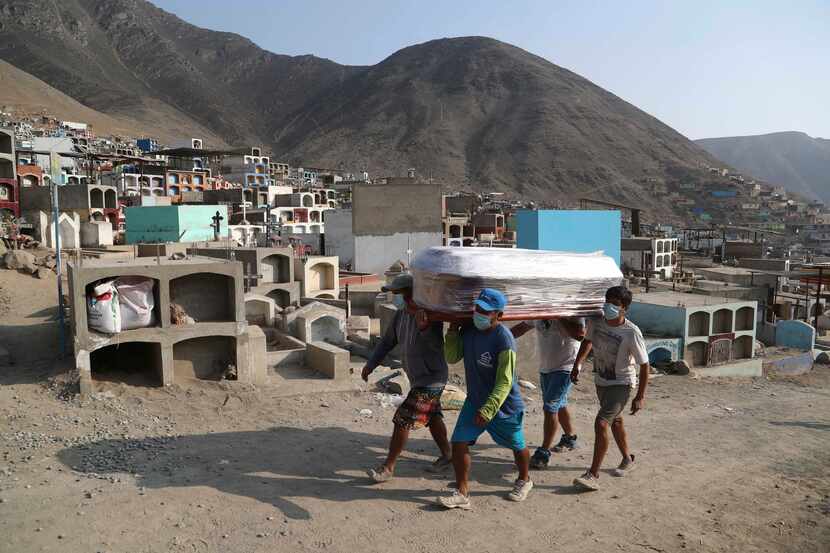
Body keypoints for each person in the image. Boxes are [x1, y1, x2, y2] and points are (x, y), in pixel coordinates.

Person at [437, 288, 532, 509]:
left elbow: (505, 381)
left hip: (504, 405)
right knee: (459, 442)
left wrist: (489, 409)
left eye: (486, 311)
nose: (479, 313)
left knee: (517, 445)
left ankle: (524, 479)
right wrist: (452, 330)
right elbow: (452, 357)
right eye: (478, 308)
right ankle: (462, 491)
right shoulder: (469, 330)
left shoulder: (504, 339)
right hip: (475, 400)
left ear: (499, 315)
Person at [362, 273, 452, 482]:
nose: (396, 298)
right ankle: (448, 455)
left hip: (432, 377)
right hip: (417, 377)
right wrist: (371, 364)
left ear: (411, 294)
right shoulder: (401, 315)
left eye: (398, 294)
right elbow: (387, 342)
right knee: (433, 416)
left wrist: (424, 328)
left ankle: (388, 467)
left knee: (402, 419)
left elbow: (436, 346)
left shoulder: (429, 316)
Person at [571, 285, 650, 491]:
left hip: (622, 384)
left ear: (625, 308)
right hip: (602, 381)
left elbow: (644, 364)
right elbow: (587, 342)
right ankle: (627, 459)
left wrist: (640, 395)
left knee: (601, 423)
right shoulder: (597, 322)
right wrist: (577, 364)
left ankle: (593, 474)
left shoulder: (631, 332)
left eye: (615, 304)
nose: (610, 307)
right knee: (615, 421)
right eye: (608, 302)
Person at [511, 317, 585, 469]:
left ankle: (543, 453)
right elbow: (522, 327)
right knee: (559, 404)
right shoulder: (540, 311)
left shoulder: (573, 313)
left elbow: (580, 334)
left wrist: (558, 316)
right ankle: (569, 438)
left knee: (550, 407)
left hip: (565, 368)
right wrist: (500, 336)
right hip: (546, 368)